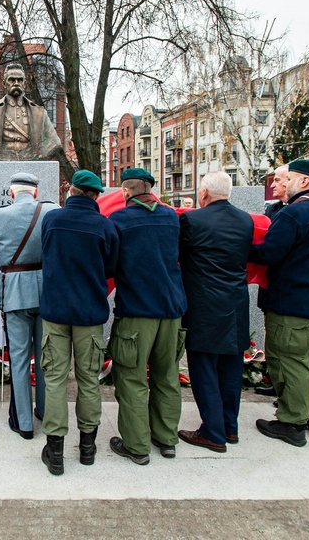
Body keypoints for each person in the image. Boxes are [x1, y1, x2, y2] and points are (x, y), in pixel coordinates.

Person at [248, 159, 309, 446]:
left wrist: (238, 244)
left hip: (295, 303)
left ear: (303, 181)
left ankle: (292, 422)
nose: (282, 183)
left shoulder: (295, 213)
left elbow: (269, 254)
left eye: (287, 177)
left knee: (291, 361)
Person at [39, 170, 119, 475]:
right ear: (96, 196)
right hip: (89, 315)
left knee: (56, 379)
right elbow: (110, 267)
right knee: (88, 381)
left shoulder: (52, 220)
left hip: (56, 312)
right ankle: (87, 448)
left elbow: (46, 254)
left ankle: (56, 452)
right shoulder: (105, 226)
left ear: (71, 191)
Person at [106, 168, 186, 465]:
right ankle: (166, 439)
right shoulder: (172, 217)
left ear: (126, 191)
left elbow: (111, 266)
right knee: (167, 376)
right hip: (172, 310)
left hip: (137, 311)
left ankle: (137, 446)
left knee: (131, 379)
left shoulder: (120, 220)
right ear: (150, 189)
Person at [178, 171, 254, 453]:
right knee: (231, 369)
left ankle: (212, 432)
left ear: (204, 194)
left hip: (204, 305)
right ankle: (229, 427)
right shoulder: (245, 220)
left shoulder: (192, 219)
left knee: (204, 369)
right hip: (235, 303)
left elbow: (180, 255)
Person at [0, 172, 58, 440]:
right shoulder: (51, 211)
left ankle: (24, 423)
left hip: (15, 292)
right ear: (36, 193)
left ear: (12, 193)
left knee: (18, 358)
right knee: (45, 357)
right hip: (46, 291)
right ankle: (46, 412)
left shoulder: (1, 215)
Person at [0, 63, 63, 161]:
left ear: (24, 84)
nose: (16, 83)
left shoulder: (39, 113)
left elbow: (54, 143)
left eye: (20, 80)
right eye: (11, 80)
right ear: (4, 84)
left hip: (32, 158)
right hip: (0, 158)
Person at [255, 164, 290, 397]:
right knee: (275, 344)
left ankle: (292, 399)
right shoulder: (274, 210)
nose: (273, 184)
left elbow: (271, 250)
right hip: (272, 289)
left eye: (278, 180)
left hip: (290, 291)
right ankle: (279, 384)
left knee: (291, 351)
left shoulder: (295, 212)